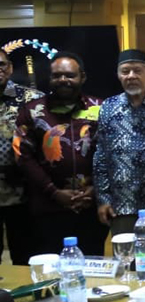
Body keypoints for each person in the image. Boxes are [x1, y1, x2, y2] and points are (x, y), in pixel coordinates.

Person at [93, 49, 145, 272]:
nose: (131, 76)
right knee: (126, 266)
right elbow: (101, 155)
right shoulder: (108, 107)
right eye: (125, 71)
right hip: (122, 202)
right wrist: (103, 198)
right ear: (118, 75)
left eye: (137, 70)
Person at [15, 52, 106, 256]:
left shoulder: (101, 109)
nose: (63, 80)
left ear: (82, 77)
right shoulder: (31, 111)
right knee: (51, 266)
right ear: (49, 78)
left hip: (91, 206)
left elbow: (110, 154)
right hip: (48, 208)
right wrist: (54, 192)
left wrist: (95, 188)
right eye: (57, 75)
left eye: (70, 75)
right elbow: (23, 156)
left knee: (92, 264)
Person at [0, 49, 42, 265]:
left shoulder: (31, 99)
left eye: (1, 64)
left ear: (10, 68)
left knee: (25, 257)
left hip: (22, 192)